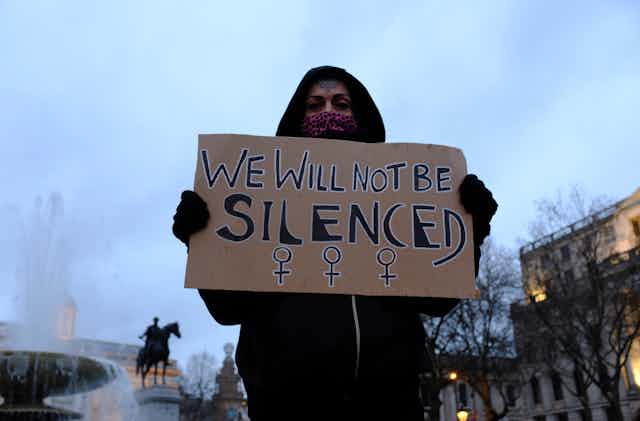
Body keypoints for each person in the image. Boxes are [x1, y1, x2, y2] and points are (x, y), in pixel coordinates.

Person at [172, 66, 498, 421]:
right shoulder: (264, 195)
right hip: (285, 407)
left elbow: (439, 299)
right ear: (298, 115)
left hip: (389, 405)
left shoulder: (398, 196)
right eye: (315, 104)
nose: (328, 111)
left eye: (341, 103)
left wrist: (471, 228)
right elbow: (226, 307)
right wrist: (201, 237)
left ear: (360, 114)